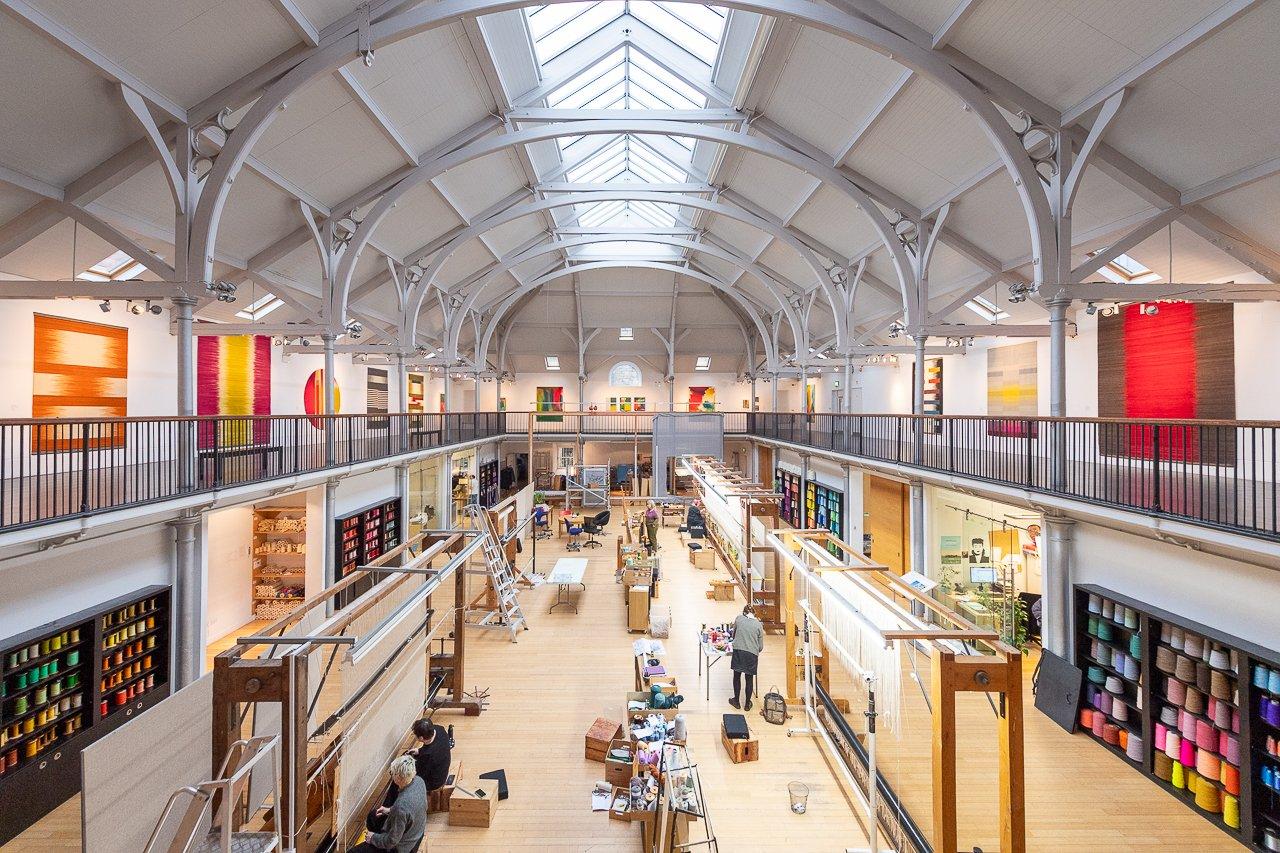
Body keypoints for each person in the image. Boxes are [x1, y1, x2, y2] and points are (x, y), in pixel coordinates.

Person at [355, 755, 427, 853]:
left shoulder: (401, 807)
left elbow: (392, 841)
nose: (391, 775)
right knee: (373, 816)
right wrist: (390, 810)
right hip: (416, 832)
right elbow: (411, 809)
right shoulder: (419, 781)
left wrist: (373, 838)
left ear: (398, 778)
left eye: (391, 773)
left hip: (403, 847)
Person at [729, 603, 764, 711]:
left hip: (739, 651)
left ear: (744, 613)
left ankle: (736, 701)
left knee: (737, 676)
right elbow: (760, 646)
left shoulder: (739, 619)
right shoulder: (759, 625)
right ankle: (747, 704)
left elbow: (733, 635)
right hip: (751, 654)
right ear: (754, 614)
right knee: (749, 679)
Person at [407, 717, 452, 795]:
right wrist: (419, 751)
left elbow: (420, 775)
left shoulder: (428, 755)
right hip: (440, 766)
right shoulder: (439, 729)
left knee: (401, 778)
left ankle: (388, 805)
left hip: (434, 782)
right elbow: (431, 747)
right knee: (410, 754)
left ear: (421, 738)